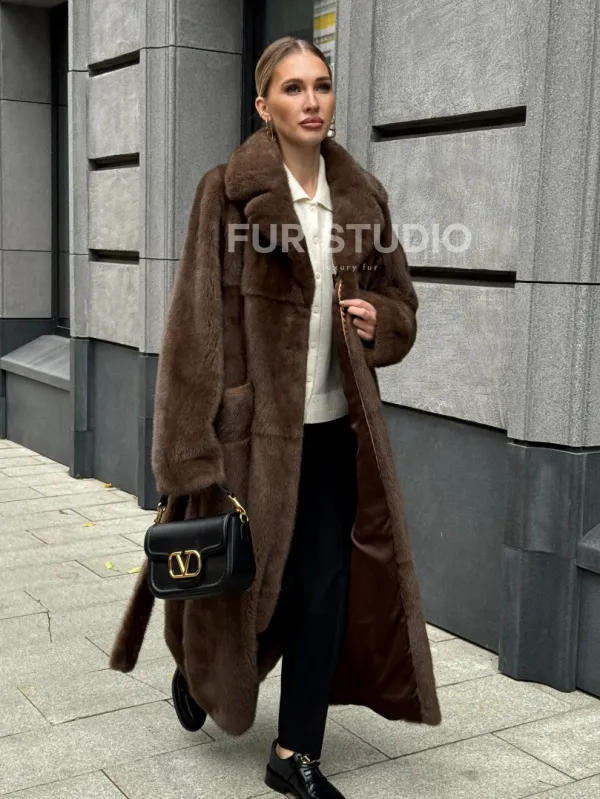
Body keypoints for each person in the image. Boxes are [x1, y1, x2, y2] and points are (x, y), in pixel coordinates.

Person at [110, 35, 440, 799]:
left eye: (321, 85)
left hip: (336, 434)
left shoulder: (362, 196)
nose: (311, 100)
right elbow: (193, 325)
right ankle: (201, 672)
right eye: (293, 88)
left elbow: (401, 302)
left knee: (323, 588)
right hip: (249, 438)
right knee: (244, 585)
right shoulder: (226, 193)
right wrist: (188, 450)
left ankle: (295, 753)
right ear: (264, 105)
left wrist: (380, 320)